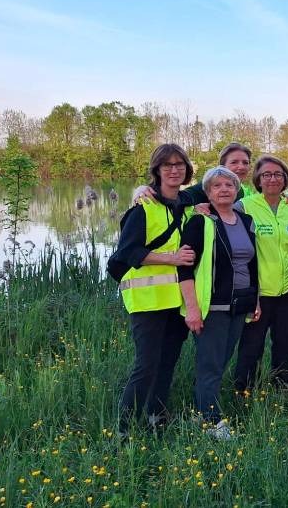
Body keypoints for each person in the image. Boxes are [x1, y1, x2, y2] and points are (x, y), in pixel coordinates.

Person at [108, 143, 194, 435]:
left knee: (168, 361)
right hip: (147, 299)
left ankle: (157, 417)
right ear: (157, 170)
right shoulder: (143, 207)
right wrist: (171, 258)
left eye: (179, 164)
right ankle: (124, 429)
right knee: (146, 365)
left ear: (187, 169)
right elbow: (128, 252)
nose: (174, 170)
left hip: (177, 299)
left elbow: (222, 186)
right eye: (167, 165)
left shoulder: (187, 203)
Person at [178, 166, 258, 440]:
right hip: (211, 307)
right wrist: (192, 309)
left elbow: (252, 264)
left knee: (221, 360)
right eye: (217, 186)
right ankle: (213, 422)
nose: (224, 189)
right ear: (208, 192)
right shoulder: (200, 222)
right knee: (210, 364)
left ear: (237, 190)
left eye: (229, 185)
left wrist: (255, 300)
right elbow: (184, 268)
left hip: (240, 303)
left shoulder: (246, 221)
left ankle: (199, 412)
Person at [233, 155, 288, 392]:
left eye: (278, 174)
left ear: (285, 179)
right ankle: (244, 391)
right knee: (252, 344)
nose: (272, 179)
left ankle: (282, 387)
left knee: (287, 342)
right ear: (258, 179)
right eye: (266, 174)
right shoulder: (244, 207)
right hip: (259, 289)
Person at [133, 142, 255, 206]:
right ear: (222, 166)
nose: (241, 167)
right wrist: (142, 189)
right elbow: (177, 198)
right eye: (234, 162)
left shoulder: (245, 192)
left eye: (245, 162)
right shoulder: (207, 187)